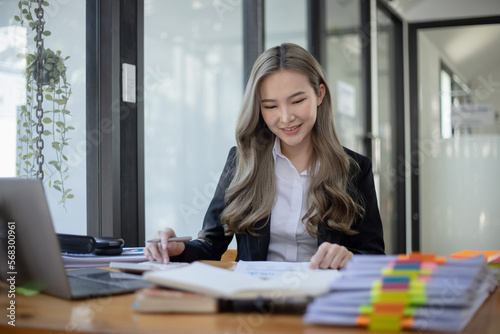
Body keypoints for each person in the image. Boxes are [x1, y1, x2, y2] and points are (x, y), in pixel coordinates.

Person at [145, 43, 384, 269]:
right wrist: (178, 249)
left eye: (297, 101)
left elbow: (374, 255)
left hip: (323, 300)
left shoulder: (354, 169)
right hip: (254, 299)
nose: (286, 117)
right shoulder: (243, 162)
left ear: (319, 94)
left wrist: (350, 258)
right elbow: (210, 245)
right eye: (270, 106)